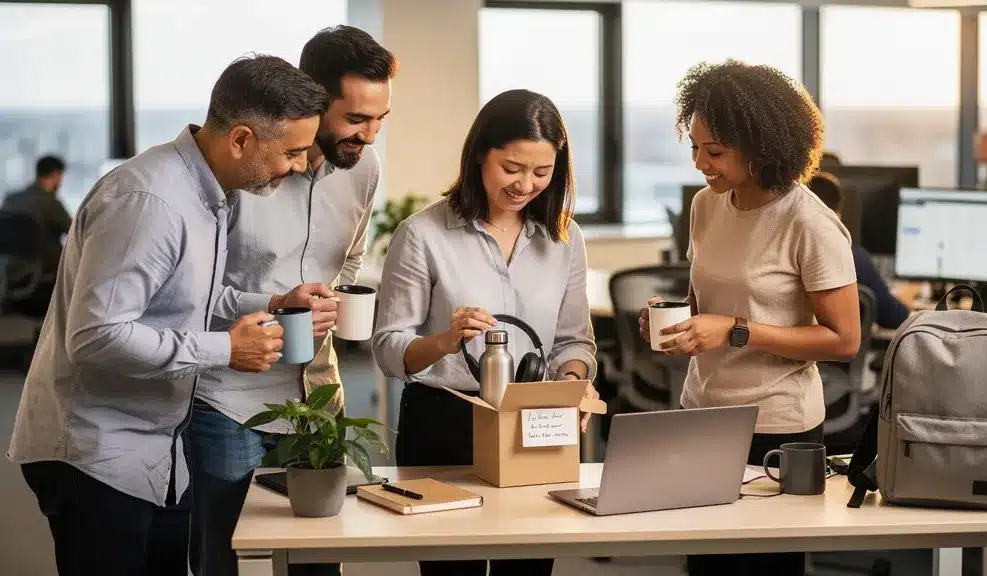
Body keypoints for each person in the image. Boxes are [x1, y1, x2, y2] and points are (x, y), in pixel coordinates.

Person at [6, 54, 331, 576]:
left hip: (156, 450)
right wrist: (227, 349)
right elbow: (96, 337)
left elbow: (186, 301)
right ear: (242, 139)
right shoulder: (150, 200)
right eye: (291, 153)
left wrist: (271, 304)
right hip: (95, 455)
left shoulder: (208, 195)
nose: (297, 167)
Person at [188, 25, 398, 576]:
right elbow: (192, 292)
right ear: (314, 99)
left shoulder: (365, 169)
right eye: (355, 119)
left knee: (322, 553)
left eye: (380, 119)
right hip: (228, 397)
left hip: (317, 395)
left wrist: (328, 300)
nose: (370, 136)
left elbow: (348, 257)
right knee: (227, 555)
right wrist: (275, 302)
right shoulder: (239, 167)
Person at [638, 60, 861, 576]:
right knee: (706, 563)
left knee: (763, 567)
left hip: (777, 424)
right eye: (693, 146)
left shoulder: (809, 223)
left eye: (713, 151)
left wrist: (737, 330)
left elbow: (844, 339)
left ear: (761, 147)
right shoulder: (706, 206)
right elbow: (706, 301)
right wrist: (677, 321)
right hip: (702, 410)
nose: (699, 162)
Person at [372, 88, 599, 576]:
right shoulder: (423, 234)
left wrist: (574, 382)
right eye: (512, 169)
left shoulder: (564, 238)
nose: (525, 185)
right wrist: (446, 340)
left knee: (530, 567)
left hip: (534, 420)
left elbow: (573, 341)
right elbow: (389, 349)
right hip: (444, 421)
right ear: (480, 154)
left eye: (542, 172)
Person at [808, 172, 912, 329]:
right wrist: (910, 293)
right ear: (836, 215)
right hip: (839, 351)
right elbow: (895, 318)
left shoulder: (783, 255)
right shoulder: (853, 258)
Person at [2, 155, 72, 317]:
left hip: (9, 276)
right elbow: (75, 231)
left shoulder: (10, 199)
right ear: (56, 175)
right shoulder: (50, 202)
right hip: (44, 280)